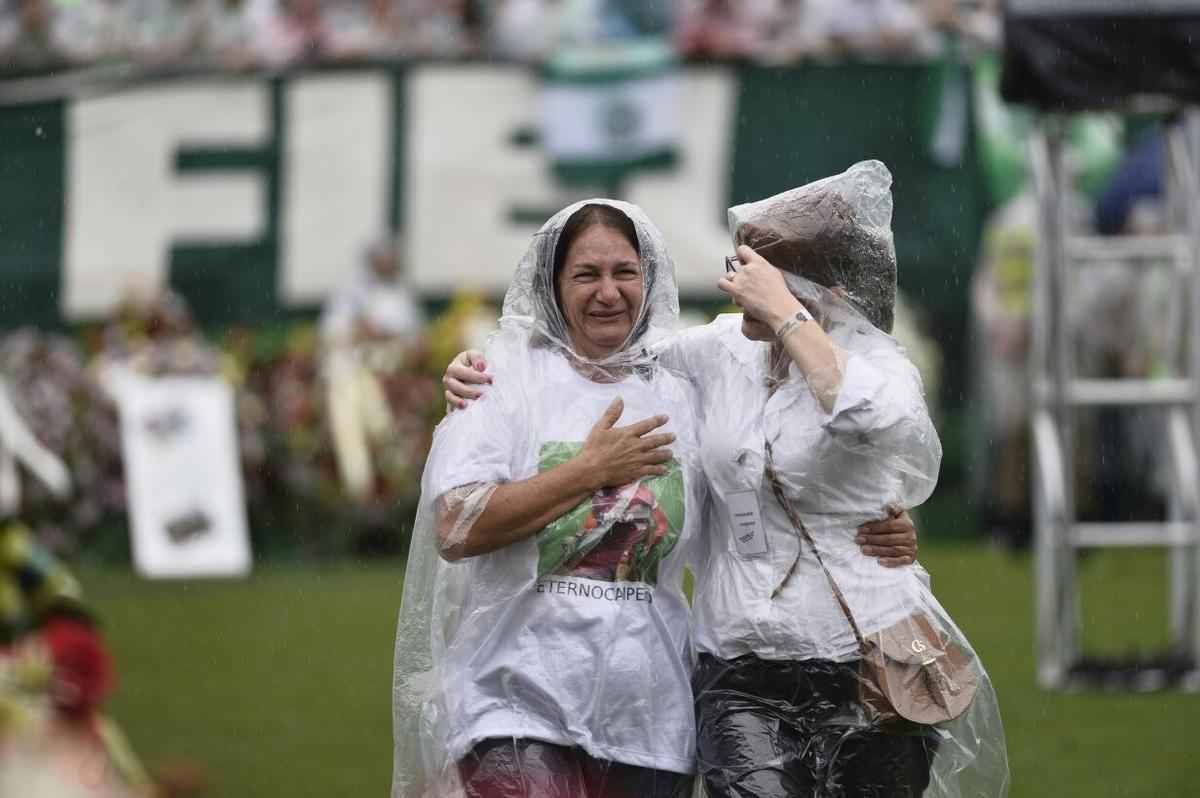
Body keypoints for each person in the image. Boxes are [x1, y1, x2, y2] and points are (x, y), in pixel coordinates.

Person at [443, 161, 1008, 797]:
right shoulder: (719, 351)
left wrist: (790, 320)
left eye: (760, 277)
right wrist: (479, 369)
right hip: (740, 657)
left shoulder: (877, 362)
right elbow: (609, 347)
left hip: (865, 655)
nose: (738, 286)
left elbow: (874, 420)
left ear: (819, 289)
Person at [392, 199, 703, 798]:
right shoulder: (503, 380)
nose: (608, 292)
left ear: (650, 279)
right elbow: (457, 525)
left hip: (649, 724)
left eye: (624, 273)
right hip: (512, 707)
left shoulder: (686, 392)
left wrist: (880, 541)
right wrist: (588, 471)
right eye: (586, 275)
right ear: (553, 286)